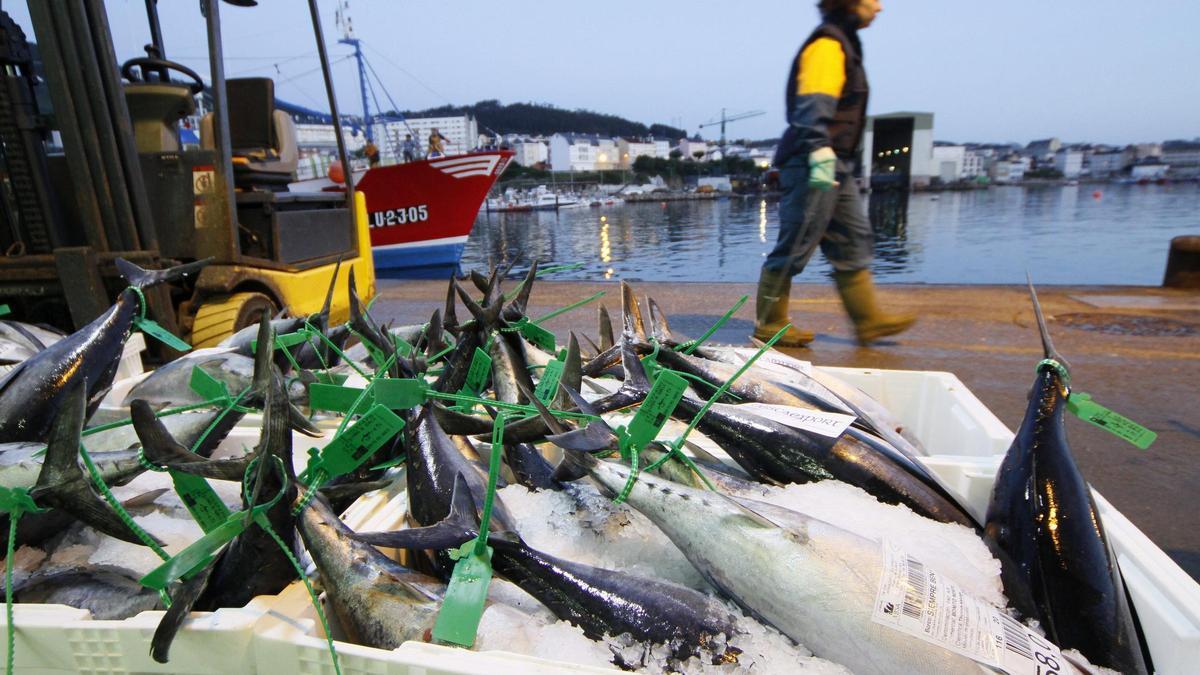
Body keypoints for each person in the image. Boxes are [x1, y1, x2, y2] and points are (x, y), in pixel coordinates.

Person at [754, 0, 914, 347]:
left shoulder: (844, 42)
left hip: (835, 160)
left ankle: (868, 320)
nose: (880, 7)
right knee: (797, 242)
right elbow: (813, 103)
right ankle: (770, 323)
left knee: (853, 238)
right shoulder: (827, 45)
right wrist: (817, 147)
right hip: (814, 157)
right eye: (872, 0)